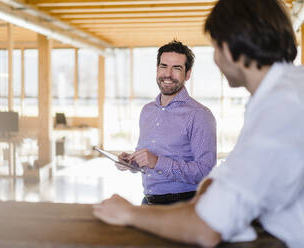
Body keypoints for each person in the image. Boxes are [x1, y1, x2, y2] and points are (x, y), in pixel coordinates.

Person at [93, 0, 304, 247]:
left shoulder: (280, 107)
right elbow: (239, 173)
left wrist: (128, 212)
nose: (216, 60)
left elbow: (208, 227)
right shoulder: (287, 93)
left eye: (214, 46)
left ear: (228, 46)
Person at [117, 40, 217, 205]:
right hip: (148, 202)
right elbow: (147, 160)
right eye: (163, 66)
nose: (168, 74)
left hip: (183, 205)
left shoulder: (200, 115)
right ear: (157, 69)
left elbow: (205, 171)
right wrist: (131, 162)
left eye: (176, 68)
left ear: (188, 74)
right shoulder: (147, 111)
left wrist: (157, 162)